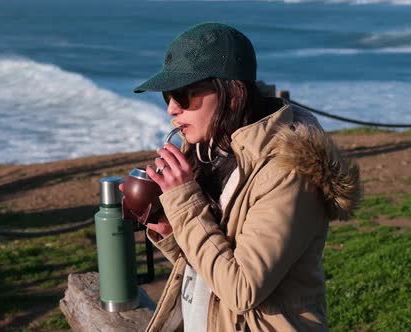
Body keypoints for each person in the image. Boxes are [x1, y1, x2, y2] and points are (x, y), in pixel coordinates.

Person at [131, 22, 361, 331]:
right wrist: (173, 231)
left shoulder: (288, 172)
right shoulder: (213, 153)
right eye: (168, 96)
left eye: (184, 94)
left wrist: (183, 201)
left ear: (234, 94)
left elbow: (241, 290)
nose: (172, 108)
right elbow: (211, 275)